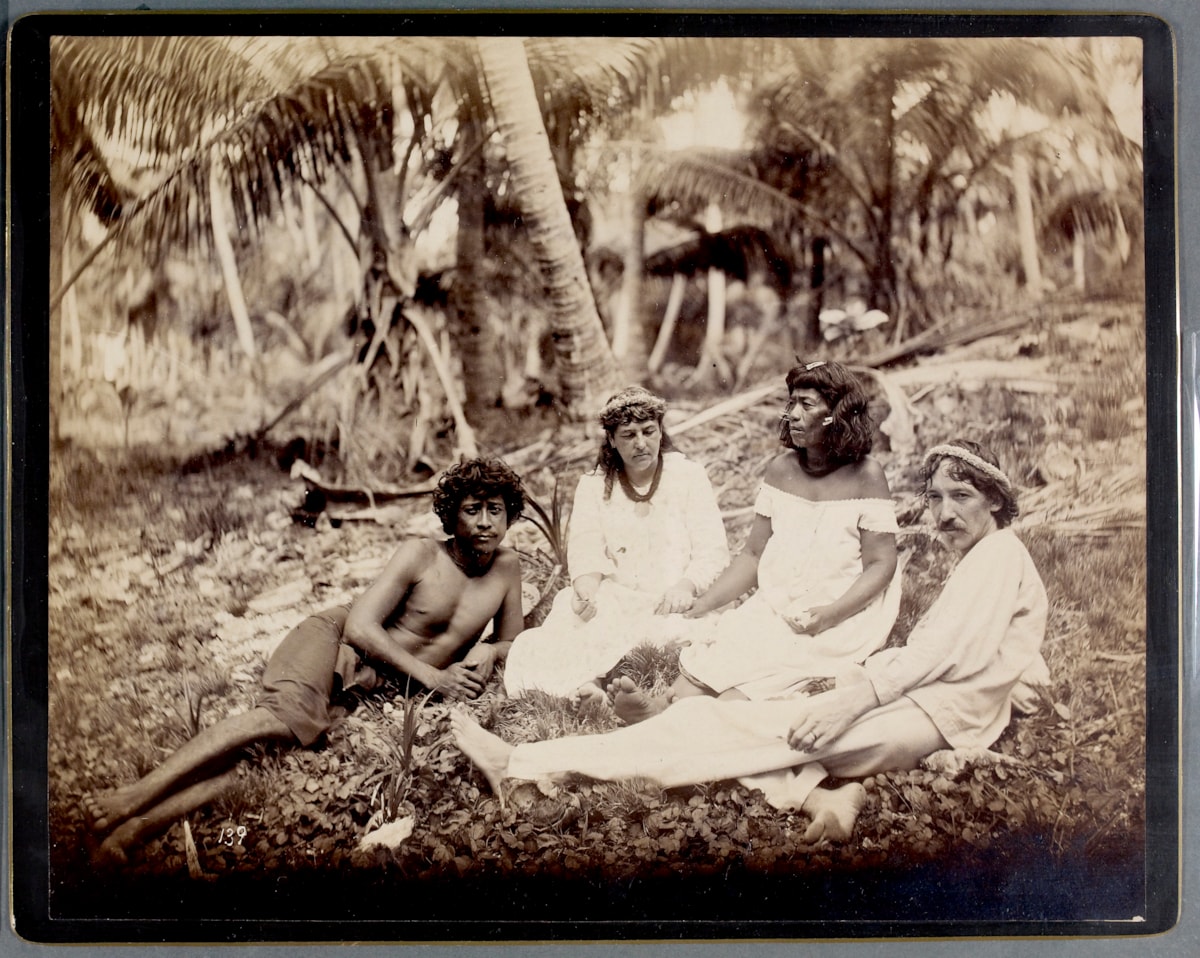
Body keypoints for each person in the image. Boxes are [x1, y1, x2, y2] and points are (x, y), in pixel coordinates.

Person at [453, 439, 1049, 843]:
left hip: (917, 716)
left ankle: (522, 764)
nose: (943, 513)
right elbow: (990, 645)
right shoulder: (995, 559)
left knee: (716, 728)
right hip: (925, 711)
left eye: (961, 497)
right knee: (742, 729)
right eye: (937, 497)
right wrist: (1012, 688)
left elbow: (942, 654)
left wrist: (857, 696)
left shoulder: (997, 557)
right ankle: (823, 798)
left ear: (996, 500)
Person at [83, 457, 527, 864]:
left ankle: (134, 831)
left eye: (496, 510)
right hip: (336, 640)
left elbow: (514, 642)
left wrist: (490, 648)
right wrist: (434, 677)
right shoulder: (421, 554)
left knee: (269, 760)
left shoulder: (507, 568)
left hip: (377, 683)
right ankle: (134, 796)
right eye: (473, 509)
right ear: (453, 515)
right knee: (279, 719)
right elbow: (359, 627)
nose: (486, 522)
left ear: (510, 515)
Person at [608, 360, 901, 724]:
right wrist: (704, 603)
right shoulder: (782, 470)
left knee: (770, 669)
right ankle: (665, 707)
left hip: (840, 605)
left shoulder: (866, 475)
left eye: (806, 405)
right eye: (791, 403)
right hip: (781, 599)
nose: (792, 414)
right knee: (732, 642)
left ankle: (680, 719)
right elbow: (753, 554)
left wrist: (830, 614)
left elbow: (881, 563)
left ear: (837, 414)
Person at [502, 386, 729, 700]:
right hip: (618, 598)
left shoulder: (688, 476)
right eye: (628, 435)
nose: (640, 443)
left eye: (649, 432)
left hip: (673, 599)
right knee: (571, 619)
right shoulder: (594, 485)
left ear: (661, 431)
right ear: (610, 440)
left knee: (674, 632)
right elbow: (585, 549)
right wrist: (586, 589)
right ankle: (589, 687)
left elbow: (712, 550)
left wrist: (686, 586)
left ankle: (608, 678)